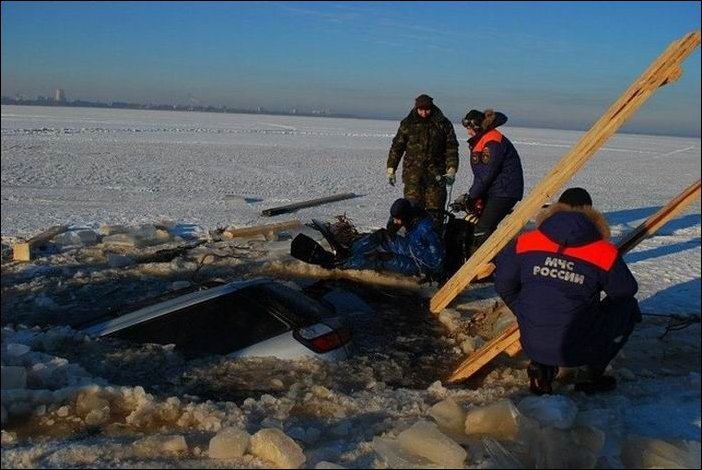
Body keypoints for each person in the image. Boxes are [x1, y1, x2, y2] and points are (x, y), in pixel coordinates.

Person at [494, 188, 642, 395]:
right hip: (577, 348)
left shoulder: (526, 242)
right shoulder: (603, 251)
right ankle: (593, 371)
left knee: (543, 304)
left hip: (531, 342)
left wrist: (525, 311)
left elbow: (503, 283)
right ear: (591, 213)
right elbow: (625, 291)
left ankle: (541, 369)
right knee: (628, 307)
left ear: (555, 210)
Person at [451, 109, 524, 256]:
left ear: (476, 127)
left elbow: (487, 174)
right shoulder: (482, 139)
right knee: (475, 220)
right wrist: (471, 197)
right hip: (495, 189)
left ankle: (482, 264)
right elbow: (481, 175)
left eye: (469, 129)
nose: (468, 133)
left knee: (483, 227)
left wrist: (471, 196)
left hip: (504, 191)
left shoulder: (492, 141)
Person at [386, 94, 459, 231]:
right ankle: (413, 243)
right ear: (416, 108)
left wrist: (451, 169)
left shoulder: (443, 124)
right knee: (412, 211)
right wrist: (391, 168)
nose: (424, 113)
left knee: (435, 213)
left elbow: (451, 147)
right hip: (413, 177)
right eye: (421, 110)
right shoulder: (408, 124)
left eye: (427, 110)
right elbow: (397, 147)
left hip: (436, 177)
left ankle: (434, 243)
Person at [341, 198, 445, 279]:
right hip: (410, 247)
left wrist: (431, 274)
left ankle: (343, 266)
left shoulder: (427, 230)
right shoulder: (411, 215)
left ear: (405, 216)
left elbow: (436, 261)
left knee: (379, 257)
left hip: (420, 264)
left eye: (397, 219)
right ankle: (350, 253)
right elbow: (393, 223)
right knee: (380, 236)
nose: (395, 221)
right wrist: (392, 228)